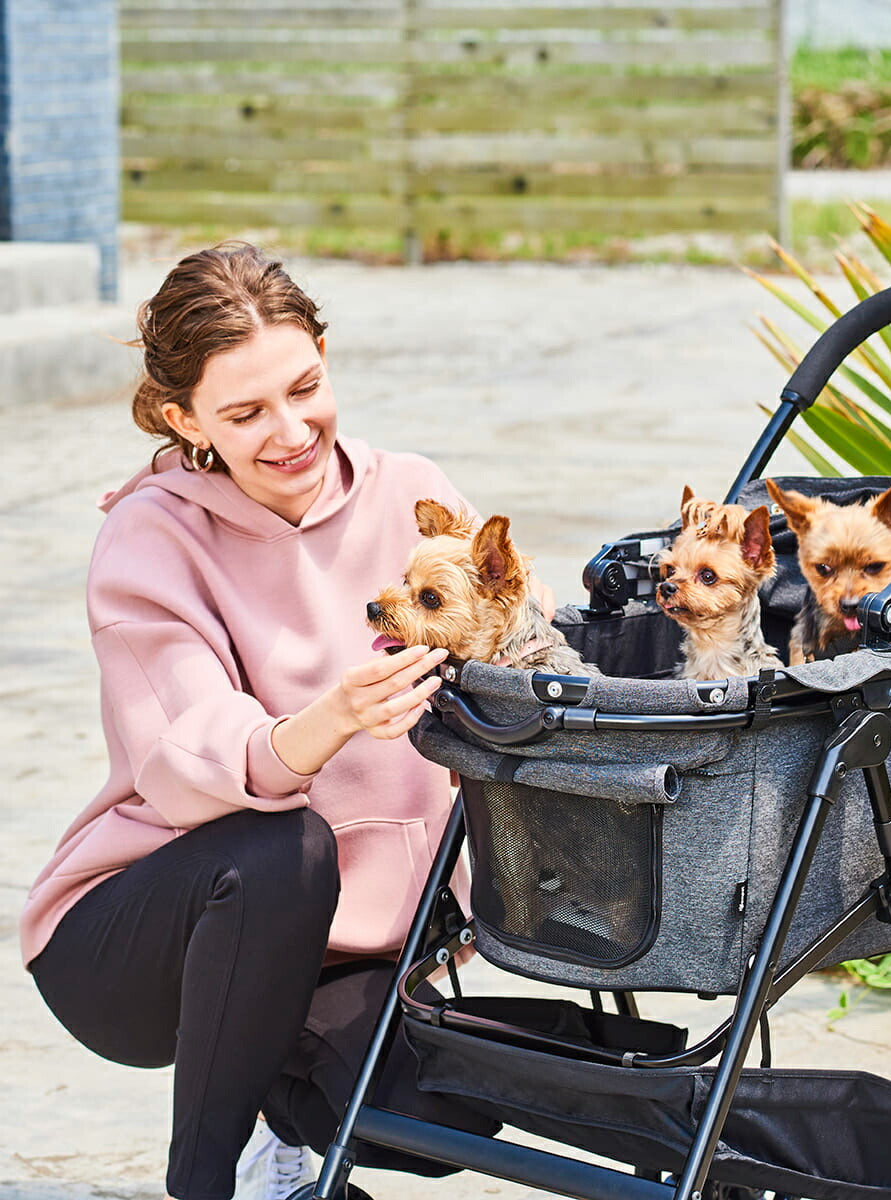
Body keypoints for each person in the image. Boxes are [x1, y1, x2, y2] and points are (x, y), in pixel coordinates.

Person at [19, 242, 520, 1200]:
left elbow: (510, 658)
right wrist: (328, 720)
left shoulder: (416, 498)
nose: (291, 432)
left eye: (306, 387)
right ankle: (202, 1183)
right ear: (185, 419)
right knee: (279, 850)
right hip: (140, 942)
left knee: (450, 1117)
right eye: (246, 413)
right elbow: (180, 759)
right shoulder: (151, 535)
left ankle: (283, 1134)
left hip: (342, 946)